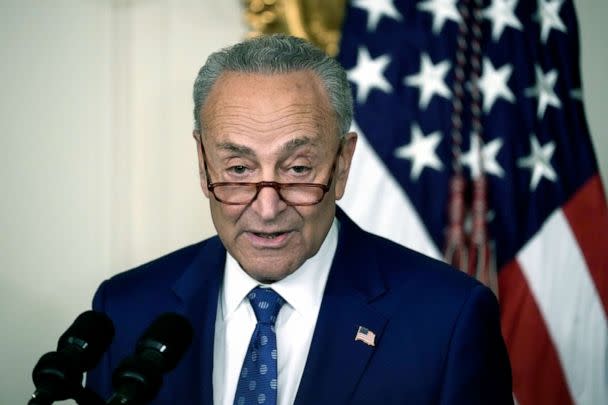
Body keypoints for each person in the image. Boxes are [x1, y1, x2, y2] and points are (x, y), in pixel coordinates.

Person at [86, 34, 512, 404]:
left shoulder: (448, 320)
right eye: (238, 170)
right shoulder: (124, 311)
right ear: (202, 163)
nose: (267, 209)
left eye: (297, 170)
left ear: (342, 164)